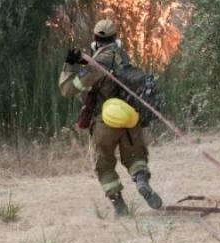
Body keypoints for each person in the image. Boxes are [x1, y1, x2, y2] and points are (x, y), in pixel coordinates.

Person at [58, 18, 164, 216]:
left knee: (104, 163)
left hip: (105, 121)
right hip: (131, 119)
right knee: (136, 157)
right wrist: (84, 59)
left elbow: (67, 89)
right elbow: (110, 66)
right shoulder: (123, 56)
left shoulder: (97, 64)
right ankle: (141, 181)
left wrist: (69, 65)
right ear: (116, 38)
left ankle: (120, 206)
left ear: (95, 39)